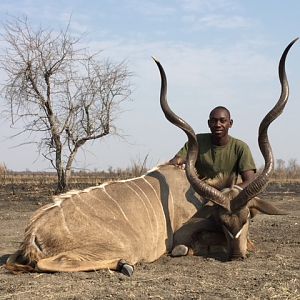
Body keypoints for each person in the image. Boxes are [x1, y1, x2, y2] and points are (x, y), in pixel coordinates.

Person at [169, 106, 256, 189]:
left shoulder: (240, 147)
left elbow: (250, 181)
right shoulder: (197, 141)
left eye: (223, 121)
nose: (218, 124)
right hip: (198, 194)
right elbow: (176, 160)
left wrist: (229, 192)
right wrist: (176, 164)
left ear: (230, 123)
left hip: (227, 197)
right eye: (214, 121)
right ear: (209, 123)